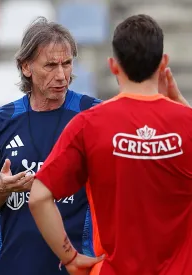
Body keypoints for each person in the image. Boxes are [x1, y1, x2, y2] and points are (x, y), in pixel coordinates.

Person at [29, 14, 192, 275]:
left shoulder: (89, 124)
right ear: (163, 63)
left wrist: (69, 258)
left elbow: (38, 197)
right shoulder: (187, 123)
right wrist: (181, 104)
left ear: (113, 65)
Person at [0, 17, 102, 275]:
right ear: (26, 67)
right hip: (14, 268)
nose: (61, 76)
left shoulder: (95, 115)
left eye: (67, 64)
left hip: (77, 268)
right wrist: (0, 190)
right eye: (50, 65)